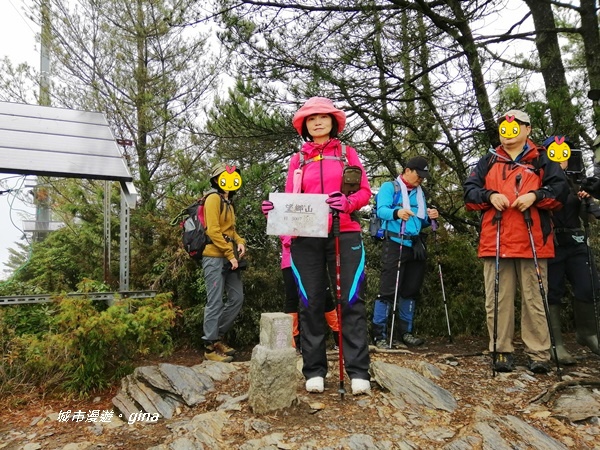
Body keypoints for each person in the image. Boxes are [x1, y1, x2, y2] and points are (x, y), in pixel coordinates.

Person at [262, 97, 372, 395]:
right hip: (305, 239)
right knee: (310, 303)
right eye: (311, 119)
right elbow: (289, 199)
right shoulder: (298, 161)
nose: (318, 122)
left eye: (324, 117)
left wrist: (348, 203)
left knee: (350, 301)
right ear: (305, 126)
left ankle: (359, 370)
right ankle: (314, 371)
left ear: (334, 122)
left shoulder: (348, 154)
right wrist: (275, 209)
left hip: (344, 233)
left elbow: (364, 191)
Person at [464, 109, 569, 374]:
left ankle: (539, 353)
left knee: (535, 298)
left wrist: (535, 195)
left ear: (527, 129)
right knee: (497, 299)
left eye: (515, 126)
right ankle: (501, 350)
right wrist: (489, 196)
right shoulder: (488, 160)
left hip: (534, 239)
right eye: (503, 126)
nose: (508, 132)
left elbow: (560, 192)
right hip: (496, 239)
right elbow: (469, 192)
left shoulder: (542, 159)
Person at [371, 157, 439, 349]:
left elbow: (421, 219)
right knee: (388, 290)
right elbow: (381, 210)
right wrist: (397, 213)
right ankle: (380, 335)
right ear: (407, 171)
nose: (421, 180)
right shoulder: (389, 187)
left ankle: (406, 333)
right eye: (419, 175)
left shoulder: (419, 193)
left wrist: (431, 216)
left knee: (410, 290)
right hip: (394, 243)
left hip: (415, 244)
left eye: (424, 177)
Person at [544, 136, 600, 364]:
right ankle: (555, 343)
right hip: (552, 243)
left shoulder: (577, 182)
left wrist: (588, 199)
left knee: (589, 286)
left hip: (576, 240)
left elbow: (588, 217)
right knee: (553, 291)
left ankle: (587, 334)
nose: (560, 159)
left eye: (563, 154)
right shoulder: (542, 180)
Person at [202, 162, 247, 363]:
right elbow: (212, 230)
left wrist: (240, 241)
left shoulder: (228, 202)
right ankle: (209, 347)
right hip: (213, 256)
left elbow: (230, 229)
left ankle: (216, 335)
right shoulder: (213, 199)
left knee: (237, 298)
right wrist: (230, 254)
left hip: (229, 258)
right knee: (215, 301)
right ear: (216, 180)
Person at [281, 236, 340, 352]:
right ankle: (295, 344)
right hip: (290, 260)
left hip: (314, 259)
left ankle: (339, 339)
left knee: (326, 298)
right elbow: (282, 232)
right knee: (292, 299)